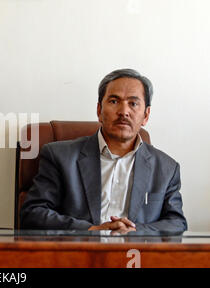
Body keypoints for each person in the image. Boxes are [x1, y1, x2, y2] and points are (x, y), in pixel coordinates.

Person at [20, 69, 187, 233]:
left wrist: (134, 231)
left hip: (136, 255)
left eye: (133, 103)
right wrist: (91, 230)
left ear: (146, 115)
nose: (123, 112)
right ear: (99, 110)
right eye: (114, 101)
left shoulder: (166, 168)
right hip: (78, 254)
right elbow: (33, 214)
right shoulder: (59, 156)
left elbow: (176, 222)